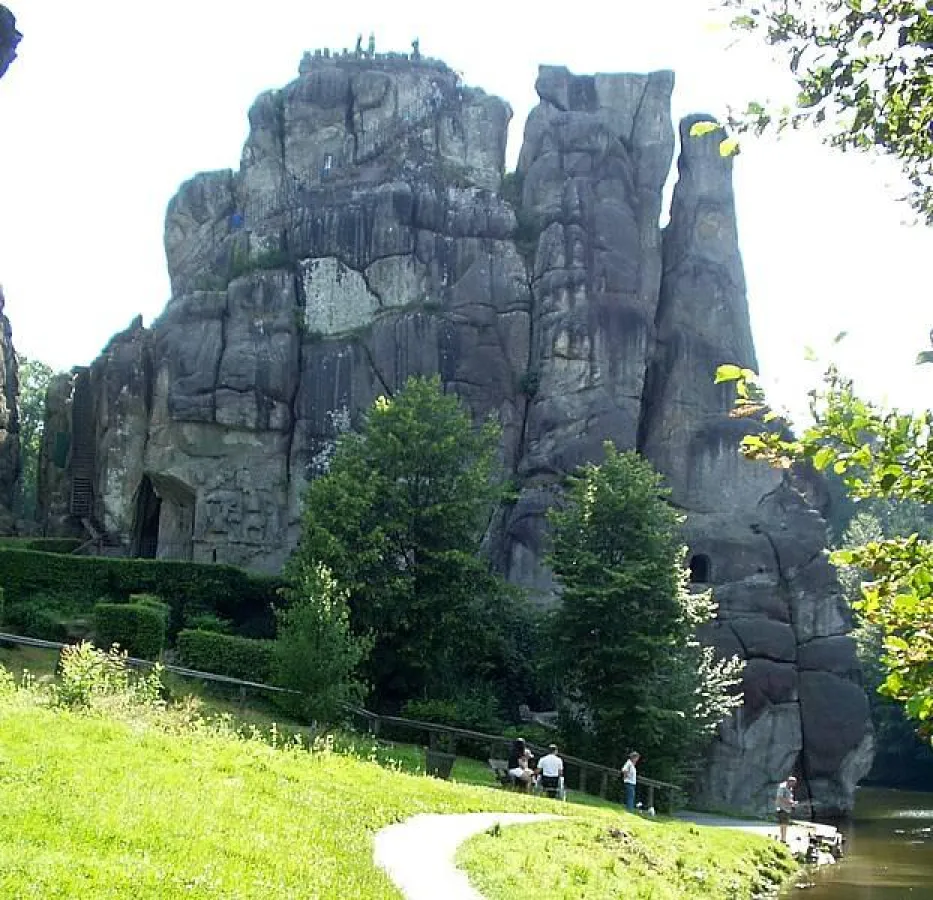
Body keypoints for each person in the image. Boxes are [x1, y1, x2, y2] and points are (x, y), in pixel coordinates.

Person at [775, 776, 798, 843]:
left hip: (787, 808)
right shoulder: (782, 787)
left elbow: (789, 797)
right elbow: (780, 797)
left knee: (784, 823)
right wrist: (790, 802)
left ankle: (783, 838)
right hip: (782, 808)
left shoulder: (790, 788)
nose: (794, 785)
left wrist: (793, 803)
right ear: (789, 782)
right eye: (793, 783)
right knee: (784, 824)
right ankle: (783, 839)